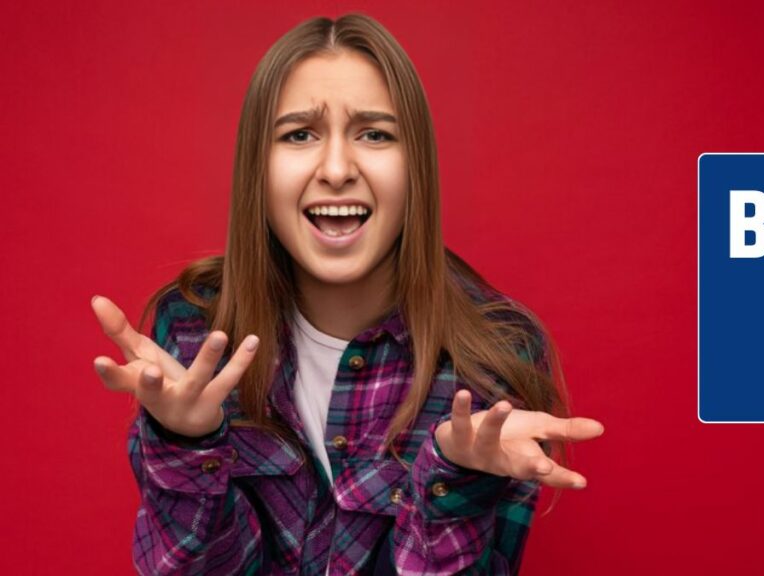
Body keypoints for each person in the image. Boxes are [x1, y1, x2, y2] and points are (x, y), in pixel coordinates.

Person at [89, 12, 604, 576]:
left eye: (375, 134)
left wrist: (453, 481)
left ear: (418, 169)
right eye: (299, 134)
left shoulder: (495, 357)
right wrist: (186, 443)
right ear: (257, 168)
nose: (336, 169)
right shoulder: (190, 329)